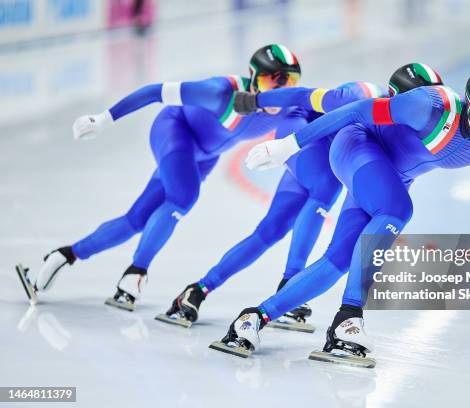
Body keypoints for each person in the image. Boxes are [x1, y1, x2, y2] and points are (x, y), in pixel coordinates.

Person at [211, 68, 470, 366]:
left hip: (384, 176)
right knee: (397, 210)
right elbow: (353, 110)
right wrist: (287, 144)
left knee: (338, 261)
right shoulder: (428, 107)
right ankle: (348, 318)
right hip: (357, 146)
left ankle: (253, 318)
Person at [17, 44, 304, 312]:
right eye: (272, 81)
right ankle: (136, 272)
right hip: (175, 130)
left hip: (204, 156)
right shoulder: (219, 92)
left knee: (137, 219)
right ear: (253, 78)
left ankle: (64, 256)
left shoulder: (290, 105)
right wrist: (103, 118)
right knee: (183, 197)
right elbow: (155, 91)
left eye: (288, 82)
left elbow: (329, 104)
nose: (279, 90)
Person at [158, 63, 442, 329]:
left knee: (270, 230)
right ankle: (290, 280)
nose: (430, 116)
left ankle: (198, 289)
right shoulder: (361, 96)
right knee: (326, 187)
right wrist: (256, 102)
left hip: (317, 149)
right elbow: (303, 96)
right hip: (302, 133)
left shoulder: (412, 122)